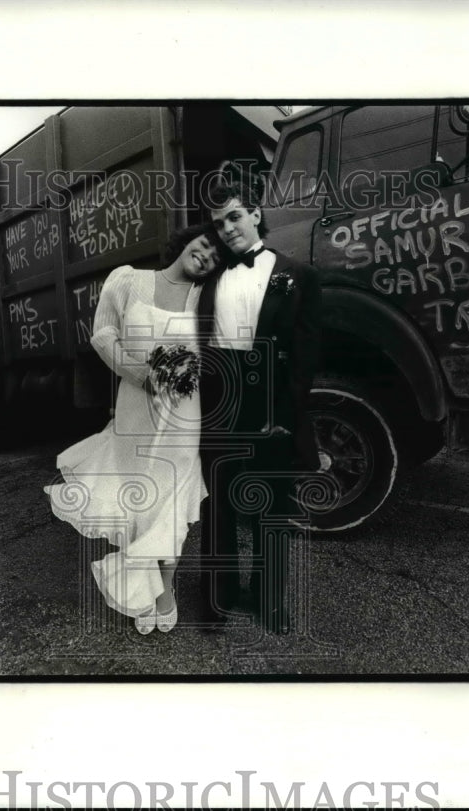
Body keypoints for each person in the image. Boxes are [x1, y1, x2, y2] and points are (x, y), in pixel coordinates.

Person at [45, 224, 224, 634]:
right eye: (204, 244)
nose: (206, 255)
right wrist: (141, 373)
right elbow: (103, 333)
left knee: (171, 499)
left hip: (183, 410)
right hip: (135, 403)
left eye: (216, 257)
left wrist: (182, 374)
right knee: (139, 496)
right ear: (188, 239)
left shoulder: (205, 299)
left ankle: (165, 589)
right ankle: (147, 590)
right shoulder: (128, 279)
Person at [197, 174, 322, 634]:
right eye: (218, 223)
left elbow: (307, 354)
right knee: (217, 503)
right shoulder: (207, 276)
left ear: (255, 214)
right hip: (217, 398)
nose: (227, 229)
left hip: (269, 397)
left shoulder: (299, 275)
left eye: (234, 216)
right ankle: (218, 598)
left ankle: (269, 601)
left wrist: (289, 413)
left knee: (270, 507)